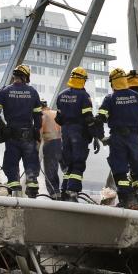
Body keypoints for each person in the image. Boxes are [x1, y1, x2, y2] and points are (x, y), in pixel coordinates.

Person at [96, 68, 138, 210]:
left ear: (113, 83)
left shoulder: (110, 99)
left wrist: (101, 137)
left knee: (119, 171)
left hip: (118, 139)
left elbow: (100, 119)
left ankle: (126, 199)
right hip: (135, 138)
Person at [0, 64, 42, 197]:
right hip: (28, 135)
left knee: (11, 163)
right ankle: (32, 186)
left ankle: (13, 187)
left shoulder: (4, 91)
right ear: (26, 77)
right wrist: (37, 129)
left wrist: (3, 126)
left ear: (15, 76)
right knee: (31, 162)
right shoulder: (33, 92)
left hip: (12, 135)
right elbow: (37, 114)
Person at [55, 67, 97, 202]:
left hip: (66, 133)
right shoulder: (84, 96)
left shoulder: (61, 95)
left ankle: (64, 191)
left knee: (68, 163)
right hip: (79, 133)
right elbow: (89, 118)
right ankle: (73, 192)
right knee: (78, 163)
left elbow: (59, 118)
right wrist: (95, 135)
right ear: (83, 80)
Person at [39, 99, 63, 198]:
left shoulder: (42, 115)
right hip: (62, 143)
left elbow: (39, 134)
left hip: (51, 143)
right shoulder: (54, 112)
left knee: (50, 171)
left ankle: (54, 194)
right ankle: (65, 191)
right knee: (65, 170)